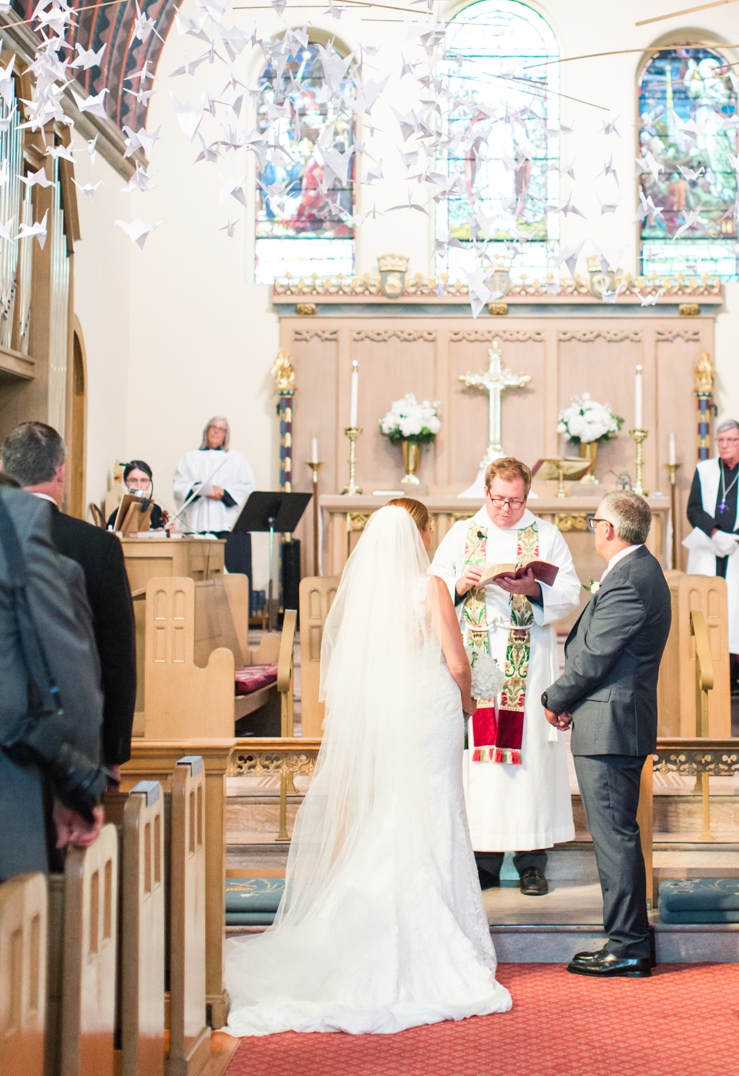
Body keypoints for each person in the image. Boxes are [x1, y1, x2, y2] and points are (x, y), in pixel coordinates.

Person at [224, 505, 511, 1035]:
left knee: (400, 806)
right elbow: (455, 659)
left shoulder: (370, 596)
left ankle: (373, 920)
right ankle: (438, 932)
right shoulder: (430, 585)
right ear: (420, 535)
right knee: (438, 805)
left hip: (398, 710)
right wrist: (471, 700)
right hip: (434, 708)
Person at [427, 456, 580, 896]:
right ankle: (484, 861)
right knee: (480, 759)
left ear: (526, 496)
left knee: (528, 754)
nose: (506, 509)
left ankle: (532, 862)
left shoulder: (546, 535)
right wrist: (460, 585)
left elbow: (568, 591)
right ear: (486, 493)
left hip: (527, 661)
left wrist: (531, 589)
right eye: (498, 500)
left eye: (515, 501)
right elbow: (434, 585)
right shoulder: (462, 533)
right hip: (476, 660)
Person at [541, 492, 670, 977]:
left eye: (596, 521)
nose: (594, 528)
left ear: (610, 530)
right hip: (610, 721)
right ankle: (629, 937)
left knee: (614, 836)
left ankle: (628, 945)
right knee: (615, 834)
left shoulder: (632, 579)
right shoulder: (637, 571)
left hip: (611, 726)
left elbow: (595, 654)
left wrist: (555, 698)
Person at [1, 422, 137, 778]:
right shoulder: (97, 547)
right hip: (72, 748)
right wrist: (114, 753)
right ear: (60, 473)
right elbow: (117, 660)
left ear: (5, 470)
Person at [684, 419, 739, 680]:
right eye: (720, 441)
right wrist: (715, 532)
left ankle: (736, 676)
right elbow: (694, 508)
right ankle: (707, 670)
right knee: (707, 608)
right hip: (709, 550)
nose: (725, 445)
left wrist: (737, 539)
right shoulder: (705, 469)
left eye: (730, 440)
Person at [172, 417, 255, 577]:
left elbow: (247, 487)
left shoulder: (235, 457)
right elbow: (179, 485)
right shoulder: (189, 457)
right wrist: (201, 489)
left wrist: (224, 492)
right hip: (198, 523)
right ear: (206, 431)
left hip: (228, 526)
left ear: (226, 434)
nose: (217, 431)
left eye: (221, 429)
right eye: (213, 427)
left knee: (233, 577)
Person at [106, 460, 168, 530]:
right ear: (125, 482)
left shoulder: (155, 509)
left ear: (150, 482)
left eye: (143, 480)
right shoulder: (117, 515)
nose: (139, 485)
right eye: (133, 480)